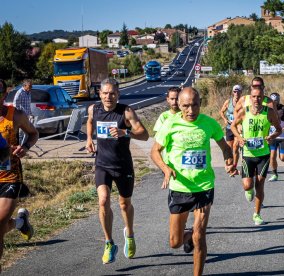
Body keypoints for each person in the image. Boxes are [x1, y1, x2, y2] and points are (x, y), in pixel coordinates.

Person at [151, 87, 236, 276]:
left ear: (200, 103)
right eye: (186, 106)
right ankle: (186, 236)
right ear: (178, 105)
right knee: (175, 242)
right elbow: (154, 151)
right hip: (180, 187)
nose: (191, 110)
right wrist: (166, 169)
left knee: (200, 236)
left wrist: (229, 161)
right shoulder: (170, 125)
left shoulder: (209, 123)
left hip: (204, 186)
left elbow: (224, 146)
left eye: (195, 105)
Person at [85, 78, 149, 264]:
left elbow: (144, 135)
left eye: (112, 93)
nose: (108, 97)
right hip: (102, 164)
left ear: (118, 95)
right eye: (105, 93)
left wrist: (125, 133)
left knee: (124, 204)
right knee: (103, 201)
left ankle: (129, 235)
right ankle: (109, 242)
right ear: (100, 94)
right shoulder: (94, 109)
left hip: (122, 165)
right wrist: (89, 139)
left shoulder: (126, 112)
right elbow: (90, 121)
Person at [0, 79, 39, 272]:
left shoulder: (15, 116)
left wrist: (24, 147)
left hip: (10, 176)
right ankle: (21, 222)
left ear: (4, 95)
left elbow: (33, 133)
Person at [231, 86, 282, 225]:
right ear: (250, 97)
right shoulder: (244, 112)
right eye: (254, 96)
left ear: (263, 97)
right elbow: (233, 126)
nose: (256, 99)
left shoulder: (269, 112)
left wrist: (272, 136)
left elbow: (279, 129)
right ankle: (249, 191)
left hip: (263, 154)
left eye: (259, 97)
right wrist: (239, 138)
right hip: (248, 154)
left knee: (260, 184)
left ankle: (257, 214)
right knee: (248, 185)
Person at [267, 93, 284, 181]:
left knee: (283, 159)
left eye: (276, 101)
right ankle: (275, 174)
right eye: (273, 101)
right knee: (272, 157)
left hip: (283, 137)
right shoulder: (267, 109)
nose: (274, 102)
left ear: (279, 100)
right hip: (272, 136)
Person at [219, 84, 242, 171]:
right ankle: (229, 164)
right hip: (229, 128)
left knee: (236, 147)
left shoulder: (243, 102)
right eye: (235, 91)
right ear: (233, 92)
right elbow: (221, 112)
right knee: (229, 148)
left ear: (241, 92)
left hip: (237, 128)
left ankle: (235, 166)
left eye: (238, 91)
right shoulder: (228, 102)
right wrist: (225, 119)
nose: (236, 93)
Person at [13, 79, 33, 144]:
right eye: (29, 86)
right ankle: (20, 148)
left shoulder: (29, 92)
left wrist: (30, 114)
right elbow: (15, 104)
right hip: (21, 116)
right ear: (24, 85)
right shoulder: (20, 92)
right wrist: (19, 114)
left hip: (27, 116)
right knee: (21, 133)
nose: (31, 88)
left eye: (31, 86)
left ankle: (24, 147)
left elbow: (28, 104)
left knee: (27, 132)